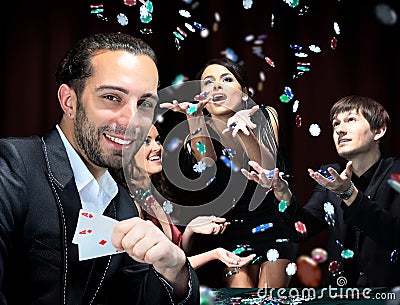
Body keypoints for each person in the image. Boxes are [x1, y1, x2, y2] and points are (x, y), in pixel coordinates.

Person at [0, 32, 199, 304]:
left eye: (145, 104)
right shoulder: (11, 166)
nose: (132, 120)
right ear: (69, 101)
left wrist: (176, 270)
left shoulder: (124, 205)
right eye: (112, 97)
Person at [160, 58, 298, 288]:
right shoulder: (195, 131)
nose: (216, 86)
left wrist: (243, 131)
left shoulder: (264, 115)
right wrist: (193, 118)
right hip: (233, 231)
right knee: (240, 297)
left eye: (226, 79)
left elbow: (265, 169)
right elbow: (208, 166)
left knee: (268, 299)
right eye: (208, 82)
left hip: (275, 224)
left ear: (244, 93)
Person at [243, 95, 400, 287]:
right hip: (339, 294)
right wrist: (282, 193)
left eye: (351, 120)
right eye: (335, 124)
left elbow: (393, 234)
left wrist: (348, 193)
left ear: (379, 130)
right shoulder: (330, 175)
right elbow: (300, 230)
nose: (340, 130)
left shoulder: (396, 173)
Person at [117, 123, 257, 270]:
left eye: (158, 140)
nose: (158, 147)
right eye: (146, 142)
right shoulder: (129, 205)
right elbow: (161, 272)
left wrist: (191, 228)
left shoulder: (155, 197)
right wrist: (214, 255)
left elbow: (178, 254)